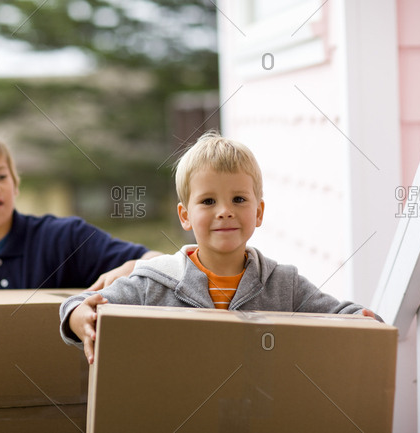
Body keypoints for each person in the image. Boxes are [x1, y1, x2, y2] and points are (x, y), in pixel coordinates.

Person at [60, 131, 380, 364]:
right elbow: (81, 305)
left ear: (258, 212)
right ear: (185, 216)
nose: (224, 211)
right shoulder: (153, 283)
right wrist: (77, 315)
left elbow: (341, 316)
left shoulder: (285, 284)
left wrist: (362, 319)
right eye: (208, 201)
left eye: (238, 199)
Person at [0, 126, 160, 291]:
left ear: (15, 183)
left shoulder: (66, 238)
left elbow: (160, 263)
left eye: (1, 176)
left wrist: (132, 266)